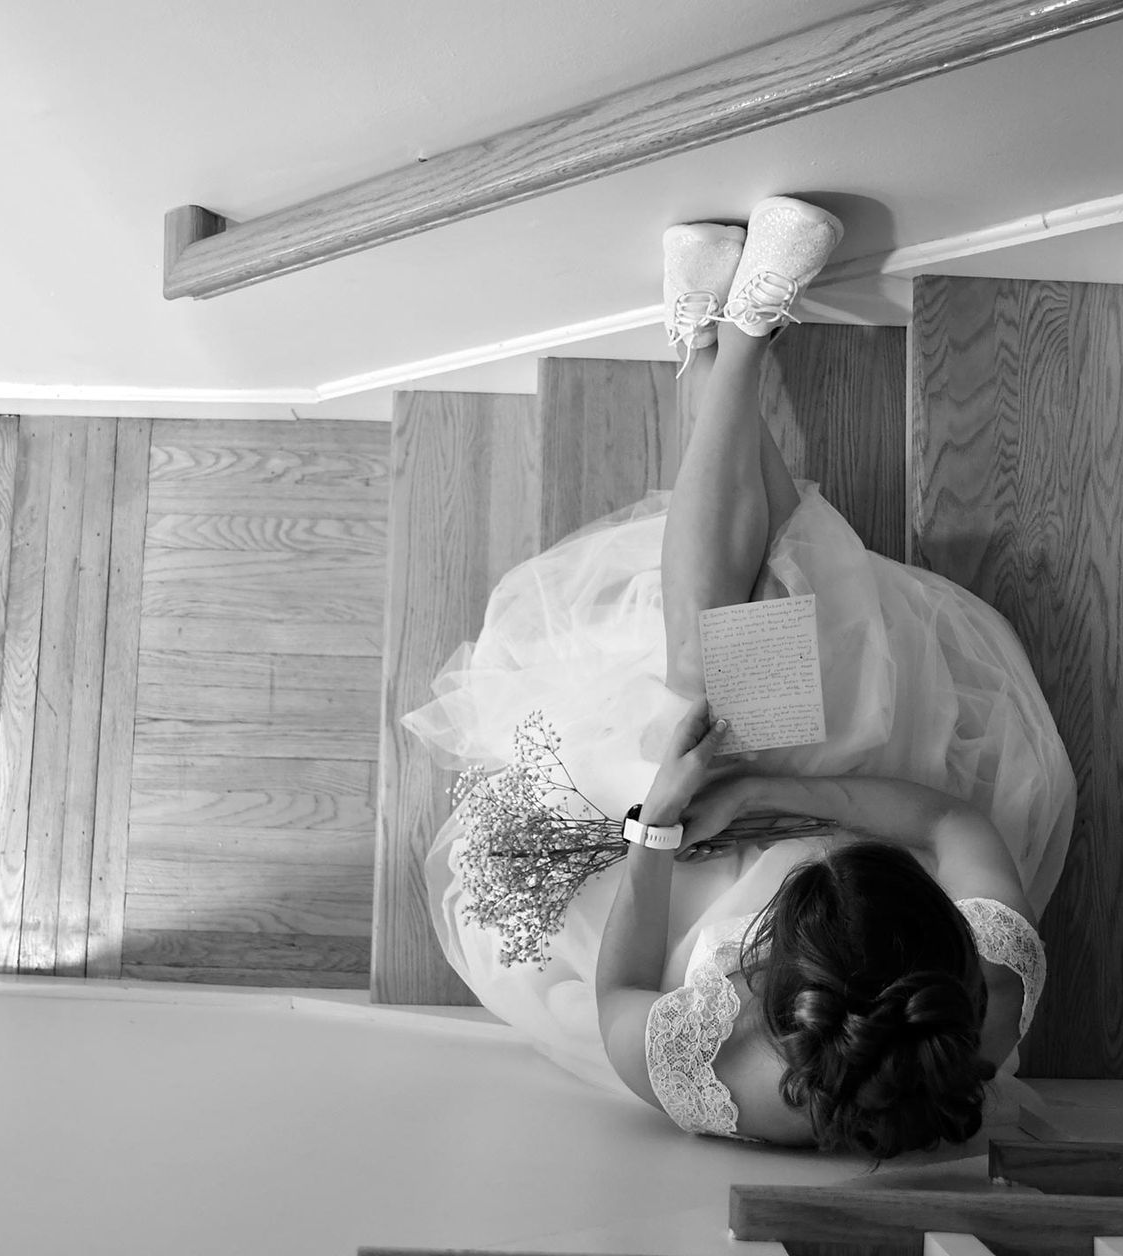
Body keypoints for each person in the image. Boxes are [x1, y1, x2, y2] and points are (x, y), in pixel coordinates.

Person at [401, 196, 1076, 1158]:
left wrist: (660, 828)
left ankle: (726, 340)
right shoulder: (988, 996)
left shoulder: (707, 1073)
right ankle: (721, 337)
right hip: (840, 786)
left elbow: (617, 990)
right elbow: (950, 823)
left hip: (663, 888)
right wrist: (769, 789)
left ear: (769, 987)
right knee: (758, 634)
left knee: (706, 677)